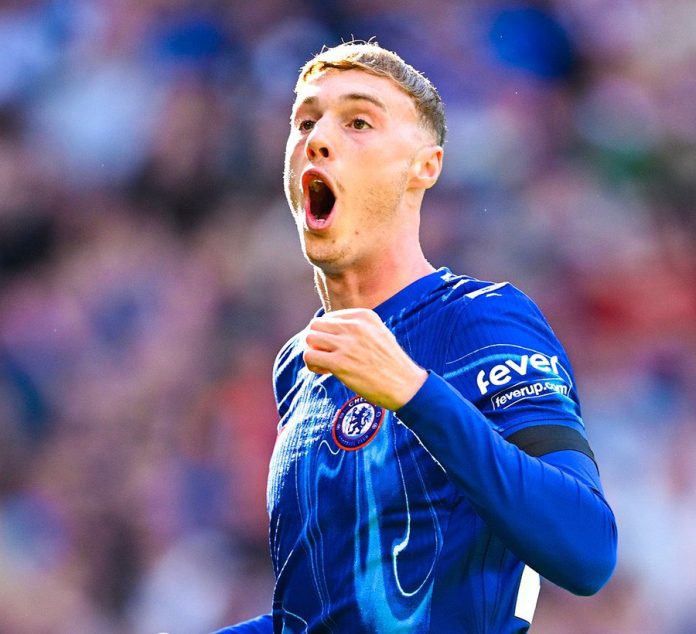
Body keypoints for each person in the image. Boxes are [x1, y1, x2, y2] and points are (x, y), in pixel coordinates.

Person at [215, 41, 617, 633]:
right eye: (305, 121)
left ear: (424, 166)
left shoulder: (478, 319)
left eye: (358, 121)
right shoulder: (297, 369)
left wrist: (412, 391)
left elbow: (587, 549)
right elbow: (324, 616)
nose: (317, 139)